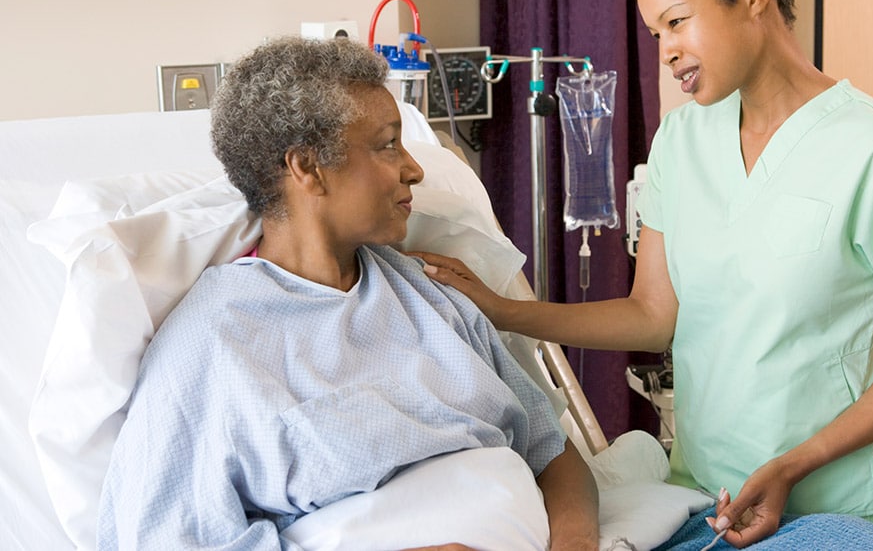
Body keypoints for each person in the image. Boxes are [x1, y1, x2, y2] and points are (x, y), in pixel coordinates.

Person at [417, 0, 873, 550]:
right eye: (657, 34)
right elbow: (653, 313)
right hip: (706, 498)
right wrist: (506, 311)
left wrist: (797, 461)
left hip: (835, 498)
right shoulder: (681, 140)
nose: (667, 52)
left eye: (678, 22)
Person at [96, 36, 599, 550]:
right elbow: (159, 536)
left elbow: (553, 451)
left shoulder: (428, 293)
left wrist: (576, 543)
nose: (415, 169)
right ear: (308, 168)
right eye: (387, 144)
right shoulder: (210, 346)